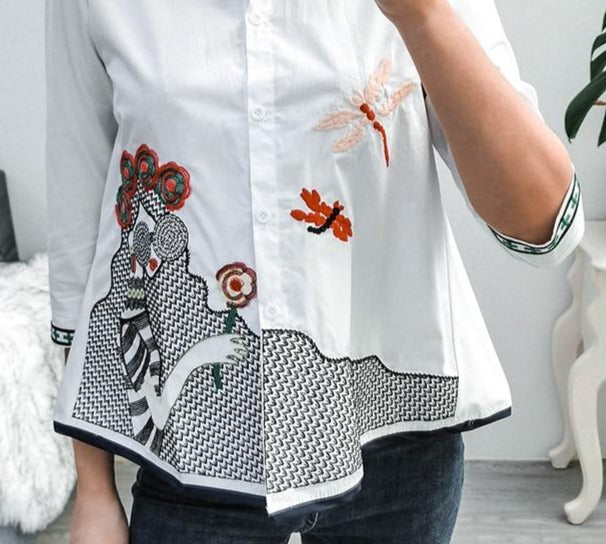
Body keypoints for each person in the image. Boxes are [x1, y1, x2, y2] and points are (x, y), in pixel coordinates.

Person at [45, 0, 585, 543]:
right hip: (195, 445)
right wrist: (93, 488)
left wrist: (422, 15)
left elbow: (546, 226)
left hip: (391, 438)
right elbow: (80, 221)